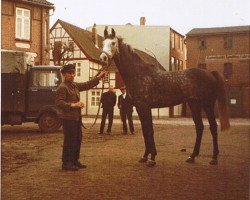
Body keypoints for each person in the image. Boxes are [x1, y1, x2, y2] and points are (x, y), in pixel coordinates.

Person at [56, 64, 106, 171]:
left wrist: (99, 77)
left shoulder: (74, 85)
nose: (72, 75)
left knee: (77, 139)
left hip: (76, 118)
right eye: (70, 73)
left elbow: (87, 85)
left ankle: (74, 160)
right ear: (64, 74)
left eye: (73, 73)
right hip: (68, 118)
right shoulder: (62, 87)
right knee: (69, 140)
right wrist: (74, 105)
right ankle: (66, 163)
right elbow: (59, 103)